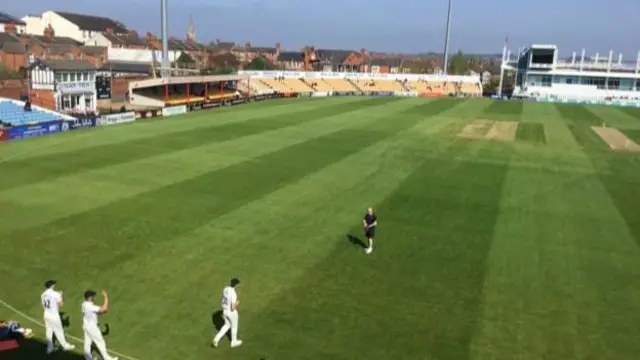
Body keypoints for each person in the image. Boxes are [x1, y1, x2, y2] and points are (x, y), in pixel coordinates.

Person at [82, 290, 118, 360]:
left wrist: (101, 311)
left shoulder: (84, 304)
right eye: (92, 296)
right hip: (92, 328)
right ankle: (107, 358)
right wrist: (106, 298)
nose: (93, 297)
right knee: (100, 342)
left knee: (87, 343)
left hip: (86, 326)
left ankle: (87, 358)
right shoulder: (90, 306)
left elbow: (96, 312)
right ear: (89, 297)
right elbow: (104, 309)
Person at [41, 280, 75, 354]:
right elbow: (61, 304)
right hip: (54, 315)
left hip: (46, 313)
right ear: (52, 286)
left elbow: (43, 305)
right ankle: (65, 346)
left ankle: (49, 348)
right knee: (59, 331)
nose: (55, 286)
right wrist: (60, 296)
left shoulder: (43, 294)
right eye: (54, 285)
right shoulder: (56, 294)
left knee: (49, 331)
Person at [212, 278, 243, 348]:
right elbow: (233, 307)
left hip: (224, 311)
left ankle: (215, 340)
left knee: (226, 325)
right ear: (236, 285)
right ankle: (234, 342)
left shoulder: (226, 288)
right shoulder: (234, 294)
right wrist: (237, 303)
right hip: (231, 312)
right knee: (234, 326)